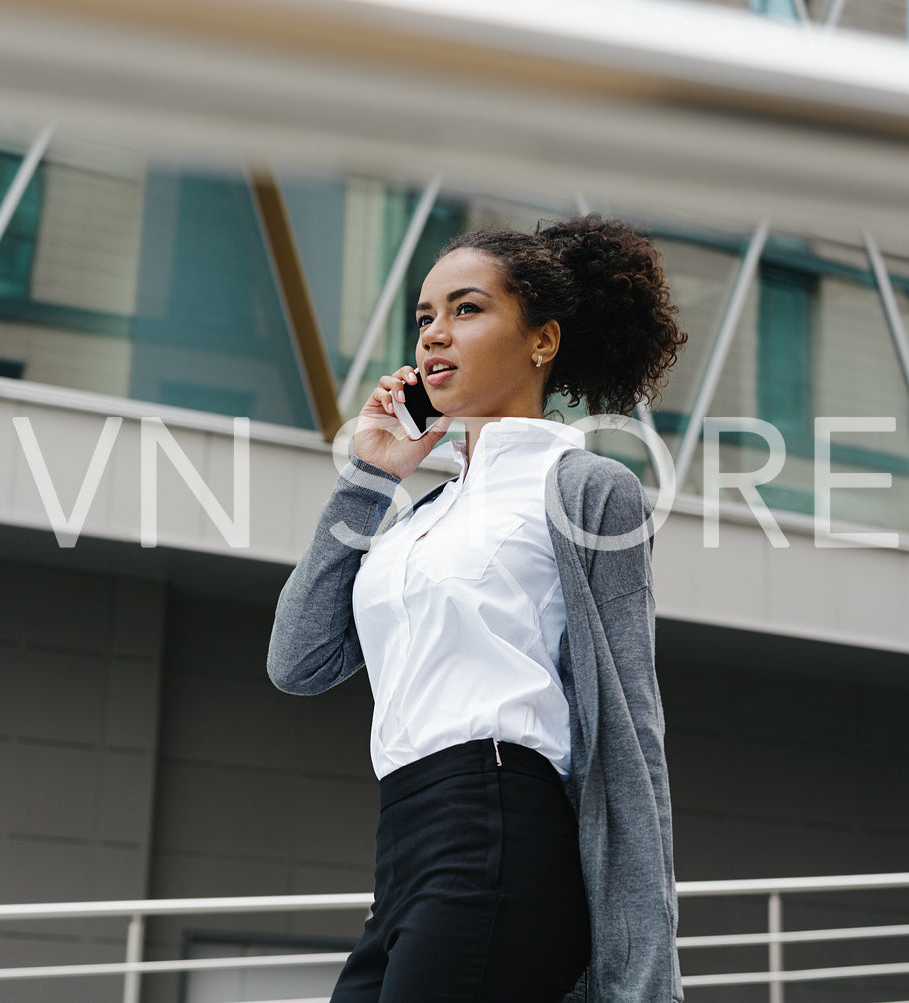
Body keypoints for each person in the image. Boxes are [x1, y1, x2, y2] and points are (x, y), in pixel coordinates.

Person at [266, 212, 687, 1003]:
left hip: (500, 822)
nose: (433, 336)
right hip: (404, 845)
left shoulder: (586, 489)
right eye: (424, 317)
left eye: (466, 309)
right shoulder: (416, 518)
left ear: (541, 341)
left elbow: (633, 724)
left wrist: (643, 959)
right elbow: (297, 659)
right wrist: (372, 476)